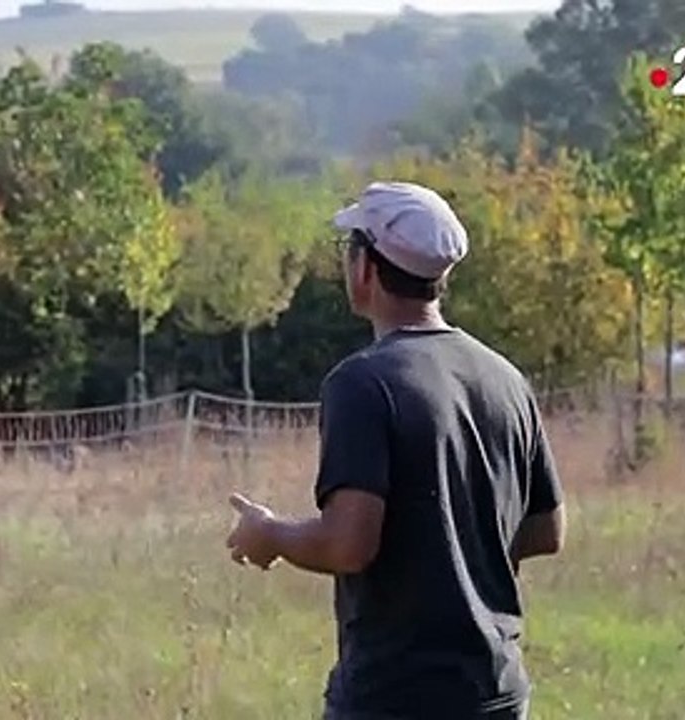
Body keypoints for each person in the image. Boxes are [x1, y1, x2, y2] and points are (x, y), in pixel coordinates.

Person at [225, 181, 567, 720]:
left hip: (397, 696)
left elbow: (348, 545)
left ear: (365, 268)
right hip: (496, 691)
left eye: (348, 248)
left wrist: (271, 535)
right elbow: (545, 532)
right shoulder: (504, 378)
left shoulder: (362, 383)